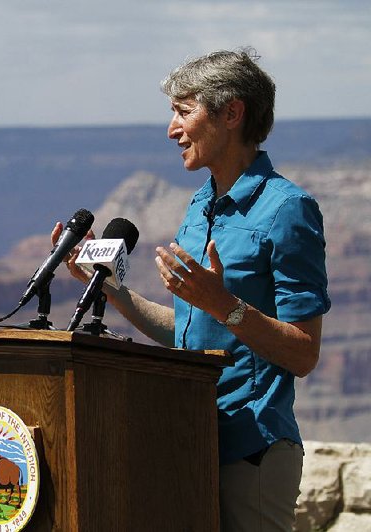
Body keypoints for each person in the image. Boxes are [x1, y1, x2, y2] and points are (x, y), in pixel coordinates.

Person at [54, 48, 330, 531]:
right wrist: (110, 287)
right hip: (187, 439)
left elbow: (304, 354)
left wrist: (223, 304)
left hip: (251, 451)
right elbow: (188, 333)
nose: (171, 130)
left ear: (231, 113)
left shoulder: (288, 209)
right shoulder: (200, 205)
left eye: (184, 112)